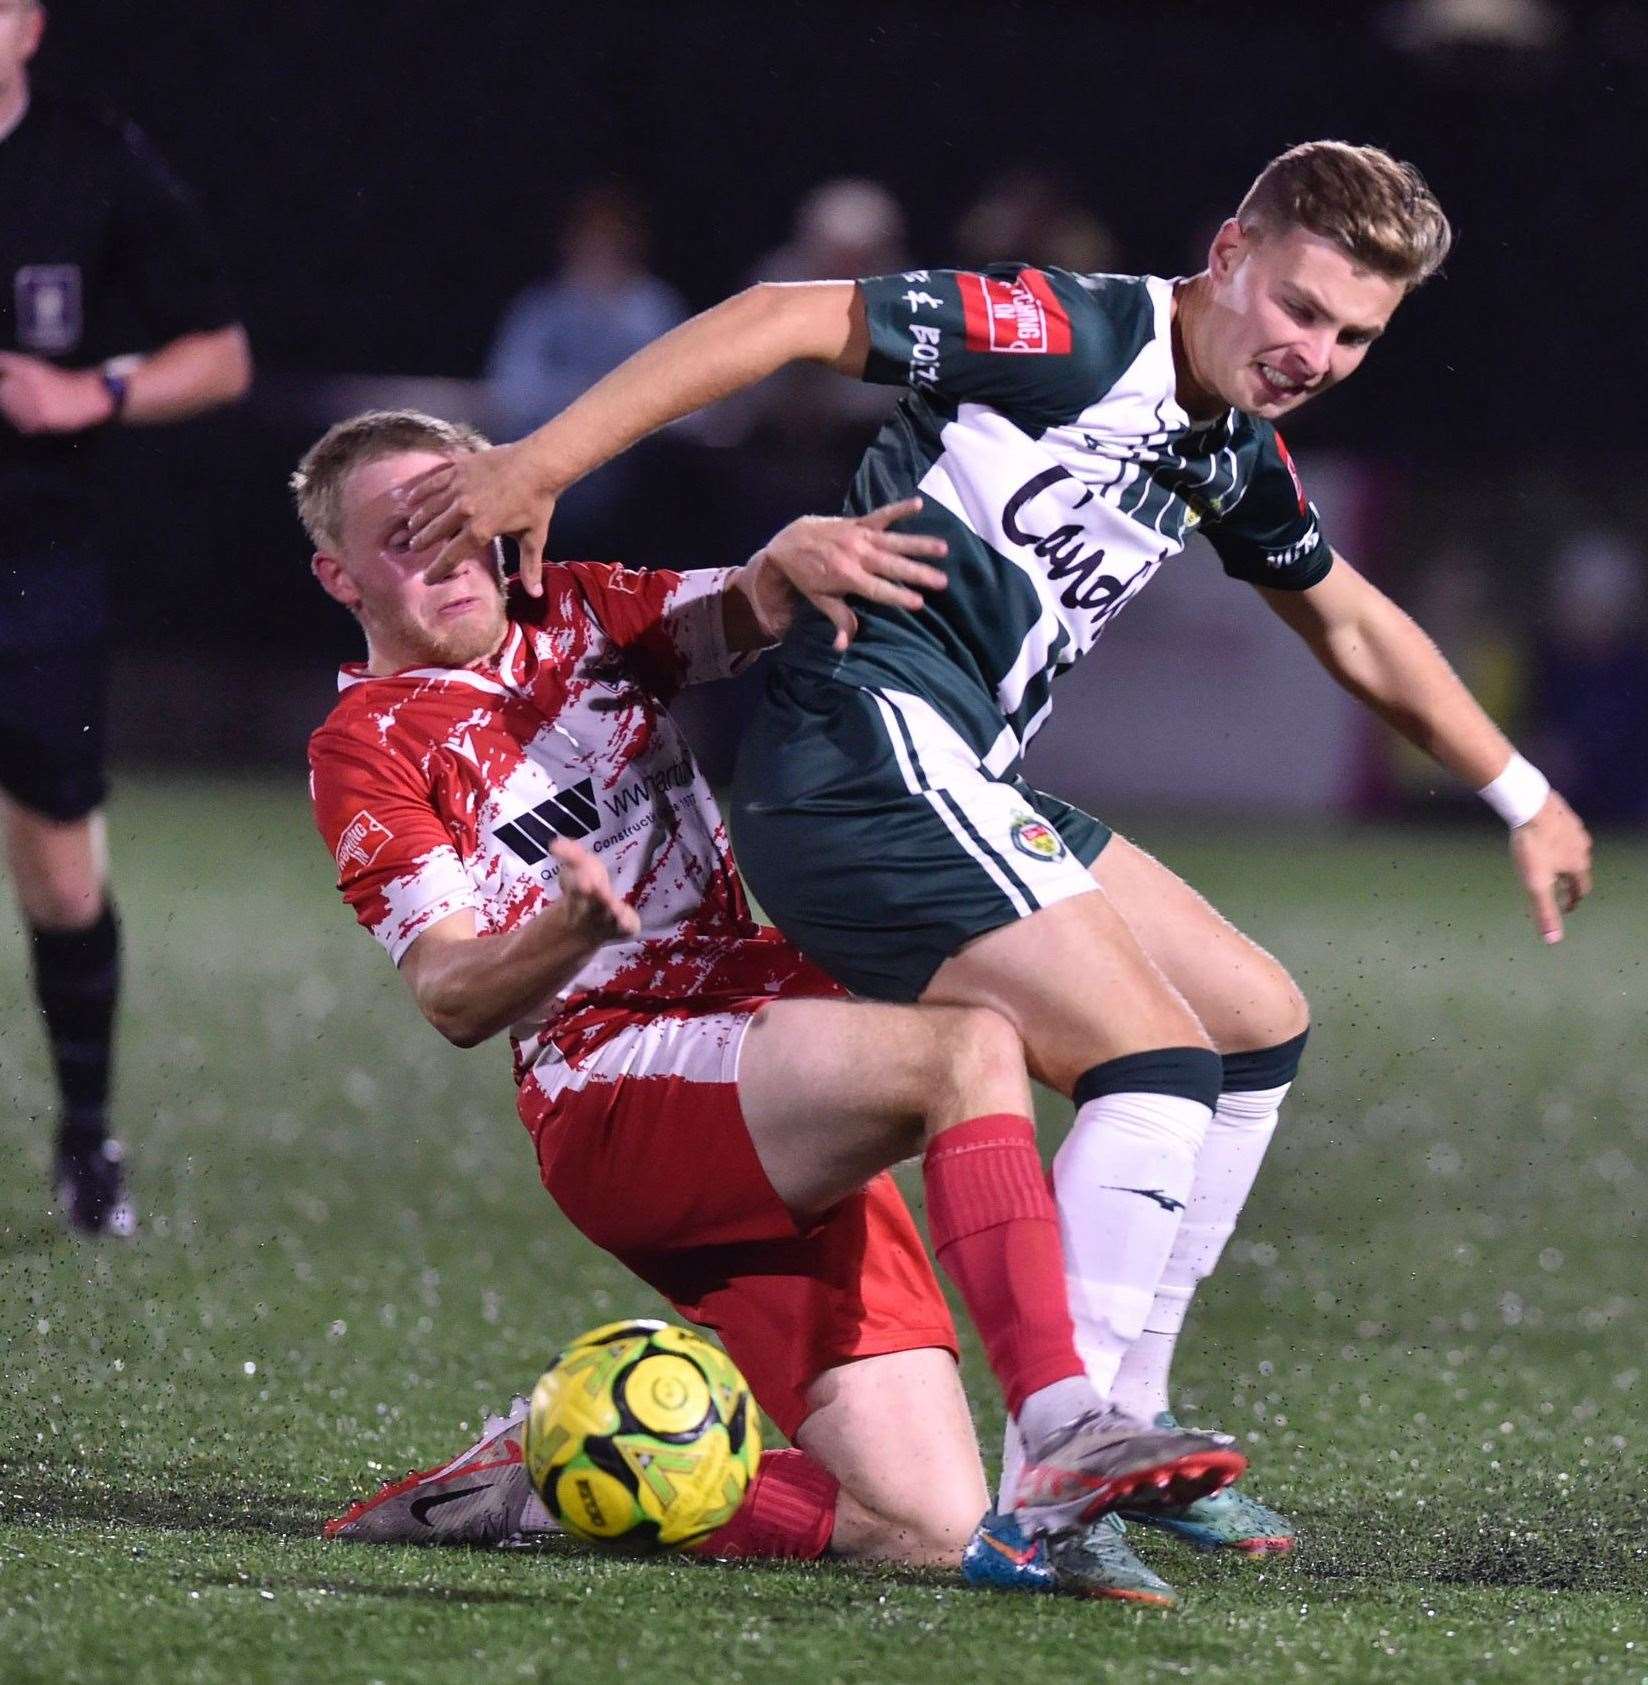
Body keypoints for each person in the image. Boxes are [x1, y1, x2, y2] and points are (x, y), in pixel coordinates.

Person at [397, 140, 1596, 1599]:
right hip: (856, 757)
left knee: (1253, 1018)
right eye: (1298, 308)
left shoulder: (1220, 443)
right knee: (1147, 1056)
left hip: (954, 771)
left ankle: (1126, 1423)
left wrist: (1521, 790)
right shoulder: (1071, 333)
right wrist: (540, 459)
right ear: (1228, 250)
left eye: (1352, 334)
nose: (1315, 354)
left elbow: (1345, 618)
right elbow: (785, 317)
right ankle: (1057, 1460)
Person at [296, 410, 1239, 1598]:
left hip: (770, 1073)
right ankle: (1064, 1424)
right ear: (339, 575)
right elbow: (448, 992)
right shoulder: (366, 744)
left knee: (927, 1524)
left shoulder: (575, 611)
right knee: (965, 1051)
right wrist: (568, 929)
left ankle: (541, 1473)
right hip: (614, 1087)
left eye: (461, 518)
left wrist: (796, 555)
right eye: (401, 538)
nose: (447, 554)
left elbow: (745, 605)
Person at [0, 0, 251, 1236]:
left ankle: (88, 1135)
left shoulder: (93, 162)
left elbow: (222, 355)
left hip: (32, 566)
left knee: (55, 866)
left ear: (28, 25)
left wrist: (89, 387)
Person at [485, 184, 687, 555]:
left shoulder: (653, 308)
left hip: (635, 491)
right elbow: (511, 393)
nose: (601, 251)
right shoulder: (542, 309)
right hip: (550, 485)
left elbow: (685, 397)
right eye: (591, 241)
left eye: (612, 242)